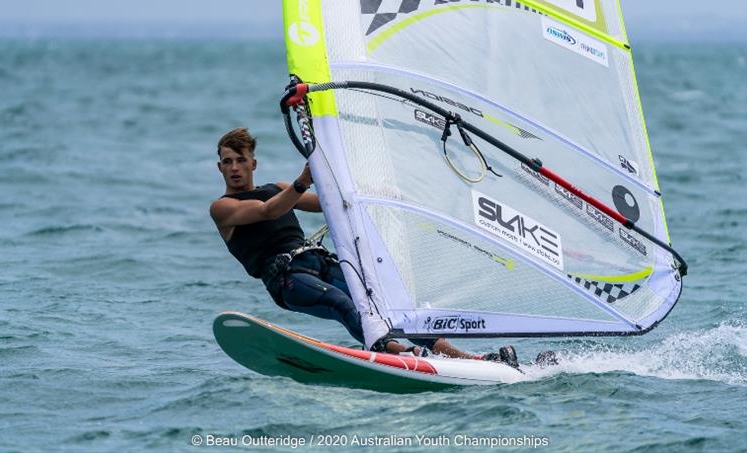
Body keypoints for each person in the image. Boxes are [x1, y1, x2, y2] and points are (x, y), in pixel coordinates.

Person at [209, 127, 519, 363]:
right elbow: (269, 211)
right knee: (342, 304)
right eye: (227, 162)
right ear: (220, 167)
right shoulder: (223, 208)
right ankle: (396, 352)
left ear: (253, 163)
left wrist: (371, 191)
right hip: (288, 281)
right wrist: (303, 180)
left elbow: (325, 204)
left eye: (240, 160)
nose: (234, 167)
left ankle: (465, 358)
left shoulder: (275, 188)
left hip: (318, 261)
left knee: (386, 305)